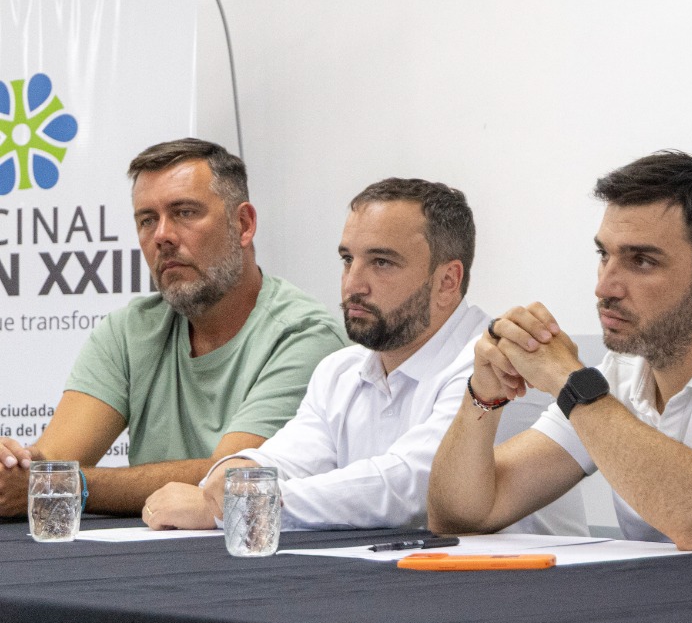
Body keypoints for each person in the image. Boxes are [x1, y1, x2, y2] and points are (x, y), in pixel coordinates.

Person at [428, 150, 692, 551]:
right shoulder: (618, 374)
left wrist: (569, 380)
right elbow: (464, 515)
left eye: (642, 261)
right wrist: (482, 396)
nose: (605, 287)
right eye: (604, 255)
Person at [140, 178, 584, 535]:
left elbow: (409, 487)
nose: (353, 283)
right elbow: (291, 458)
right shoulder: (340, 370)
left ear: (448, 281)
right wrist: (241, 471)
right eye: (347, 259)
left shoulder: (496, 363)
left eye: (381, 262)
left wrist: (243, 502)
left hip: (519, 596)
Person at [0, 138, 344, 517]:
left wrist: (65, 485)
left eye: (184, 213)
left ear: (243, 225)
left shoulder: (303, 336)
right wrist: (12, 468)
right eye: (147, 220)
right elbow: (48, 464)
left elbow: (231, 479)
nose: (162, 236)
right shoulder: (129, 330)